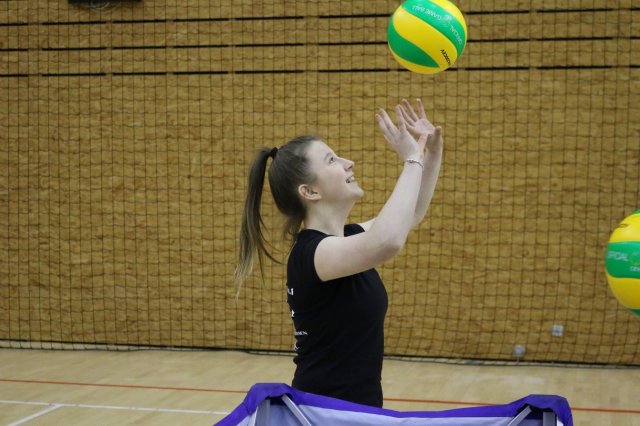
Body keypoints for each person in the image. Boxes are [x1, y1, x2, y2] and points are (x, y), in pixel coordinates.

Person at [235, 99, 444, 407]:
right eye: (332, 160)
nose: (349, 162)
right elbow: (388, 240)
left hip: (357, 412)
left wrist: (431, 153)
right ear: (310, 191)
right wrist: (412, 159)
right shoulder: (311, 254)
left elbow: (410, 214)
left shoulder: (348, 239)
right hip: (324, 414)